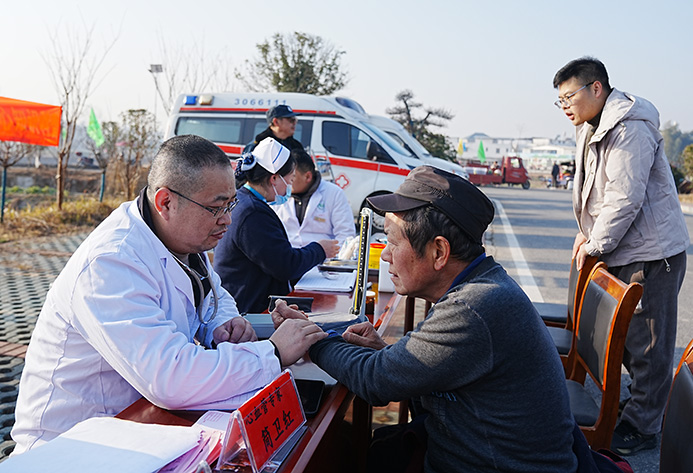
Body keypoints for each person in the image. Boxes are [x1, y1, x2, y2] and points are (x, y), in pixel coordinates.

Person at [10, 135, 327, 454]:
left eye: (231, 204)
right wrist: (272, 352)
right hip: (70, 445)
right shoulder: (110, 263)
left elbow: (213, 290)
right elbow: (170, 378)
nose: (227, 219)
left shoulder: (181, 237)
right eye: (216, 207)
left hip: (140, 425)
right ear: (165, 202)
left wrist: (225, 321)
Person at [272, 166, 578, 473]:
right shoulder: (478, 287)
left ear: (439, 251)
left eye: (392, 241)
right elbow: (428, 372)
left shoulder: (472, 308)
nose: (386, 255)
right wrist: (388, 355)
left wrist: (310, 338)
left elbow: (374, 380)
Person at [553, 57, 689, 454]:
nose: (564, 105)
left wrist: (595, 245)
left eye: (569, 96)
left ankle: (645, 425)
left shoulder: (630, 127)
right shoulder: (590, 125)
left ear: (597, 89)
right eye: (558, 99)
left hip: (652, 251)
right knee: (626, 338)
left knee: (649, 342)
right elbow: (593, 193)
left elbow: (624, 199)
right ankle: (644, 406)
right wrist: (586, 234)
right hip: (623, 246)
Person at [214, 138, 339, 314]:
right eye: (290, 179)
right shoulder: (253, 213)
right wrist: (319, 250)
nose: (290, 186)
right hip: (249, 311)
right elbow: (286, 266)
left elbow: (274, 254)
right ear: (274, 178)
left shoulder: (245, 202)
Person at [273, 148, 355, 248]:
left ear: (308, 177)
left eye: (292, 177)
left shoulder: (334, 193)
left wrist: (335, 258)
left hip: (323, 259)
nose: (287, 181)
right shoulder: (279, 193)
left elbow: (345, 234)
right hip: (288, 256)